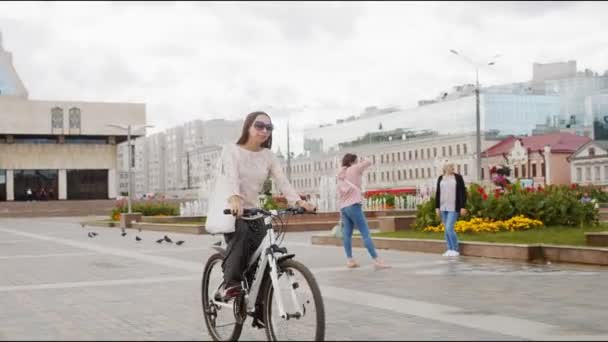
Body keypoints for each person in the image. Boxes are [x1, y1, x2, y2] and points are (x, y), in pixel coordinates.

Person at [215, 111, 316, 305]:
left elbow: (282, 181)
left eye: (269, 128)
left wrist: (298, 202)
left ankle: (261, 309)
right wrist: (235, 198)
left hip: (253, 210)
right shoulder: (232, 150)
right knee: (242, 233)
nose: (264, 131)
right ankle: (231, 284)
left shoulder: (268, 156)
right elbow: (231, 177)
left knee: (264, 256)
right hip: (233, 208)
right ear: (248, 127)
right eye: (259, 126)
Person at [337, 153, 390, 269]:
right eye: (356, 161)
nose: (357, 163)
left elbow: (340, 194)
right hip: (354, 205)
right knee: (365, 232)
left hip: (344, 208)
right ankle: (377, 260)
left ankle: (350, 260)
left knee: (347, 234)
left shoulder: (341, 173)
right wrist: (362, 158)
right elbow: (369, 161)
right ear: (352, 162)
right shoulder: (355, 168)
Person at [434, 162, 467, 257]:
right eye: (450, 166)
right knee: (446, 229)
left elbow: (463, 193)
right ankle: (449, 249)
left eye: (453, 166)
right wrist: (437, 207)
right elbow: (438, 193)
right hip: (443, 206)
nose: (453, 168)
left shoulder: (458, 177)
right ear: (445, 168)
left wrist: (462, 206)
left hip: (454, 206)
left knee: (449, 227)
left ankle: (455, 249)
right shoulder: (441, 178)